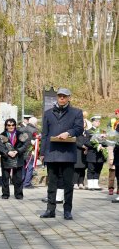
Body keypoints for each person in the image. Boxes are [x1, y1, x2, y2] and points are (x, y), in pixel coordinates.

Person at [40, 87, 84, 220]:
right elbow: (45, 134)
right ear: (57, 97)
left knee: (68, 183)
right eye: (60, 96)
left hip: (68, 153)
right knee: (52, 183)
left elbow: (79, 128)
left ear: (69, 97)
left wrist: (68, 133)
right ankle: (50, 209)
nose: (62, 98)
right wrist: (42, 153)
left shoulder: (76, 112)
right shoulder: (48, 113)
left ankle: (67, 210)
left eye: (64, 96)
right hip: (52, 152)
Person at [0, 118, 31, 199]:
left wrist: (17, 151)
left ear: (15, 126)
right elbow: (0, 146)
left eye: (13, 125)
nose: (11, 127)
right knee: (5, 178)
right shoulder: (2, 135)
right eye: (9, 125)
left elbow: (26, 145)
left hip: (18, 157)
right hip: (6, 158)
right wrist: (7, 152)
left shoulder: (21, 133)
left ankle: (18, 194)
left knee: (18, 178)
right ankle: (5, 194)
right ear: (6, 126)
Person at [83, 115, 105, 190]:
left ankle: (95, 184)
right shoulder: (88, 131)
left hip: (100, 154)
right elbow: (86, 142)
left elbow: (106, 143)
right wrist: (95, 145)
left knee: (98, 169)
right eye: (96, 121)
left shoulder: (102, 131)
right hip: (92, 153)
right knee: (91, 169)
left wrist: (103, 142)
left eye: (99, 121)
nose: (98, 122)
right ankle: (90, 184)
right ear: (92, 122)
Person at [21, 116, 40, 189]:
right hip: (30, 150)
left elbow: (21, 139)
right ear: (35, 123)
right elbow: (36, 140)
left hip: (23, 150)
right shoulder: (34, 130)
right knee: (30, 166)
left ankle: (22, 181)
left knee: (23, 167)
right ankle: (27, 183)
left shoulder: (23, 128)